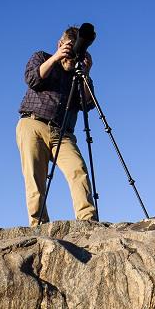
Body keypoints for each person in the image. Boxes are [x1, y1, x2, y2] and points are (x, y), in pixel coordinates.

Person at [16, 26, 98, 226]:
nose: (70, 58)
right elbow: (32, 79)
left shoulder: (78, 73)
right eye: (68, 50)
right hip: (33, 123)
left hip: (63, 132)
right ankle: (39, 226)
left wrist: (86, 74)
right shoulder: (42, 57)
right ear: (60, 44)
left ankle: (88, 222)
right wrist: (55, 58)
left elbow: (87, 104)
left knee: (78, 170)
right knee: (35, 179)